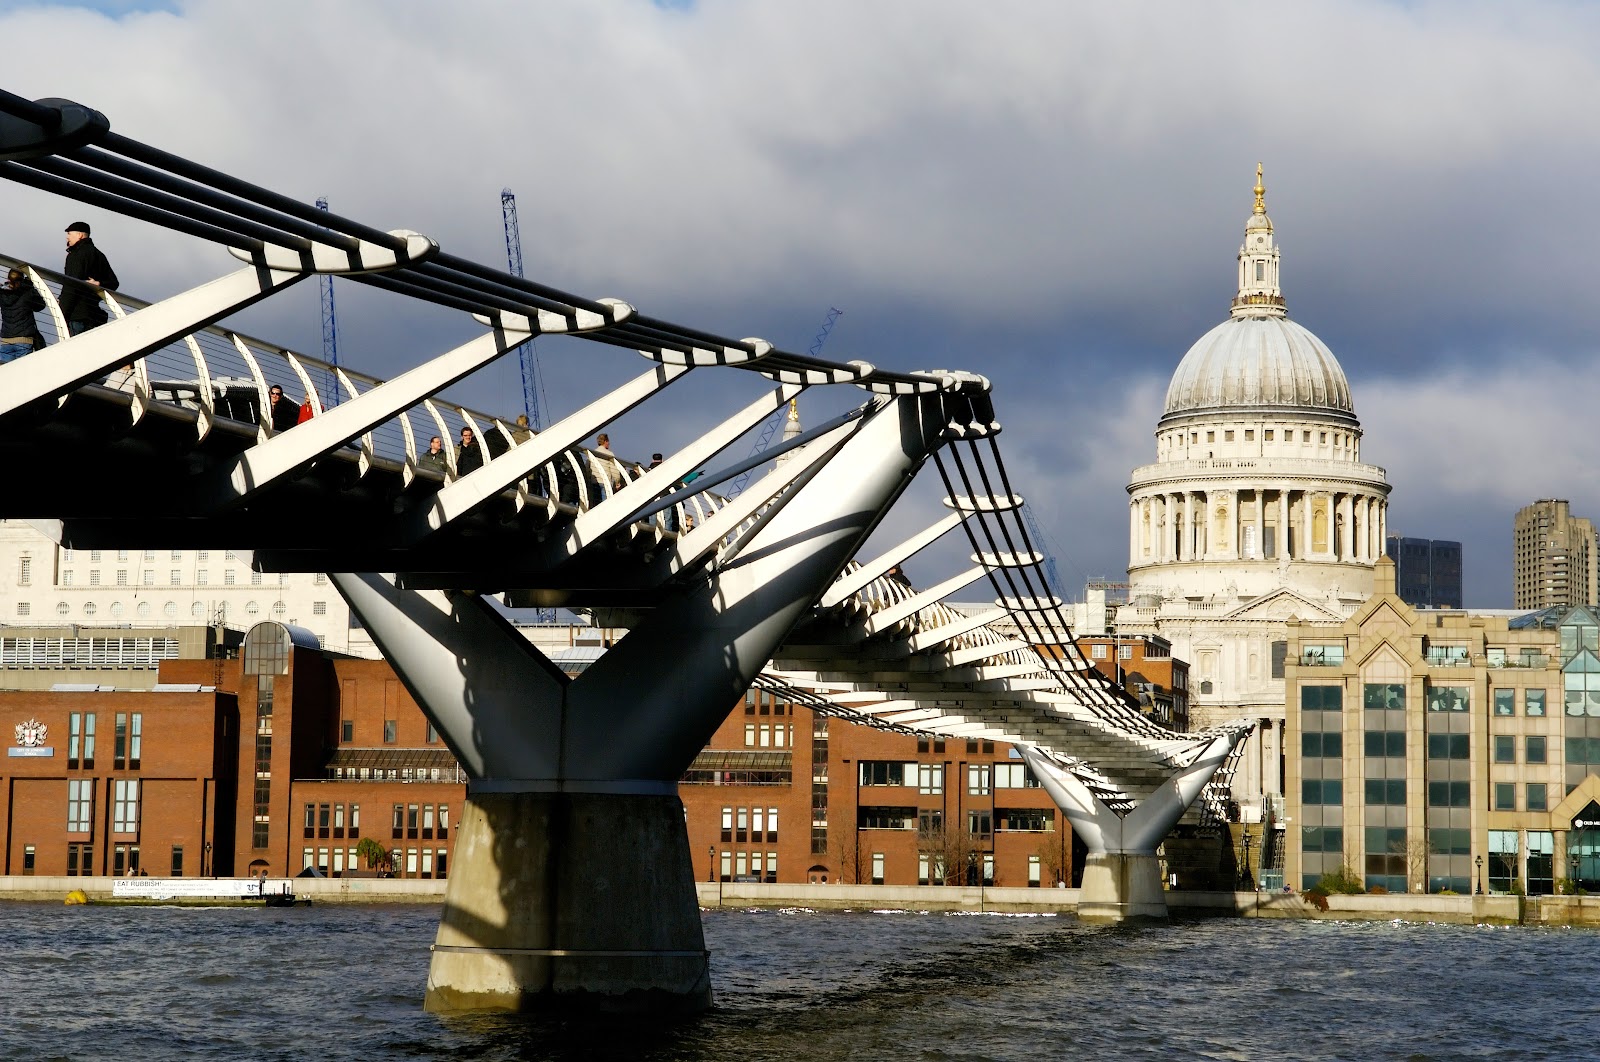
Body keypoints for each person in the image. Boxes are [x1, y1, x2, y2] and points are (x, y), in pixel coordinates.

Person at [58, 221, 118, 336]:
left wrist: (61, 312)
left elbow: (71, 285)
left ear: (80, 235)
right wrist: (99, 283)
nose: (67, 237)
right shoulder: (99, 255)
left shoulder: (76, 255)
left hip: (77, 315)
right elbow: (114, 283)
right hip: (95, 315)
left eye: (69, 234)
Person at [0, 268, 45, 364]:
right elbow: (40, 306)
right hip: (24, 339)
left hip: (5, 339)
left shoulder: (3, 293)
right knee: (23, 372)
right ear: (21, 279)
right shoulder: (27, 292)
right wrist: (29, 286)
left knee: (6, 374)